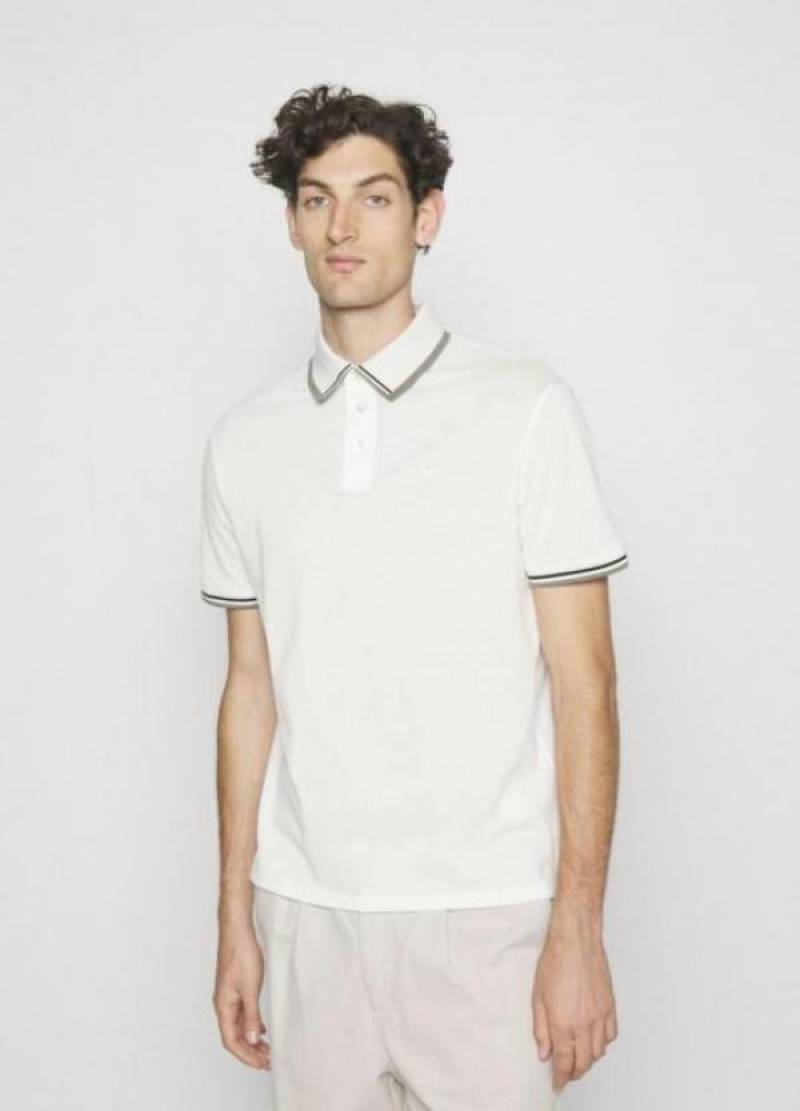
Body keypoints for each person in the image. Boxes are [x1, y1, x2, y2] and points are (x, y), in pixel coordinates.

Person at [200, 83, 629, 1110]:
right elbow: (249, 689)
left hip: (487, 918)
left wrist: (577, 924)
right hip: (305, 916)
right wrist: (233, 917)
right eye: (316, 199)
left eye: (375, 197)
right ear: (292, 223)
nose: (341, 227)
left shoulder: (525, 409)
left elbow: (586, 683)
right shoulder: (243, 441)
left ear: (426, 216)